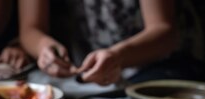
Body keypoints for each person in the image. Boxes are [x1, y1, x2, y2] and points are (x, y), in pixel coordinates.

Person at [19, 0, 193, 85]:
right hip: (85, 70)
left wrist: (117, 56)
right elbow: (30, 29)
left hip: (159, 62)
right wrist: (43, 47)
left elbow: (165, 32)